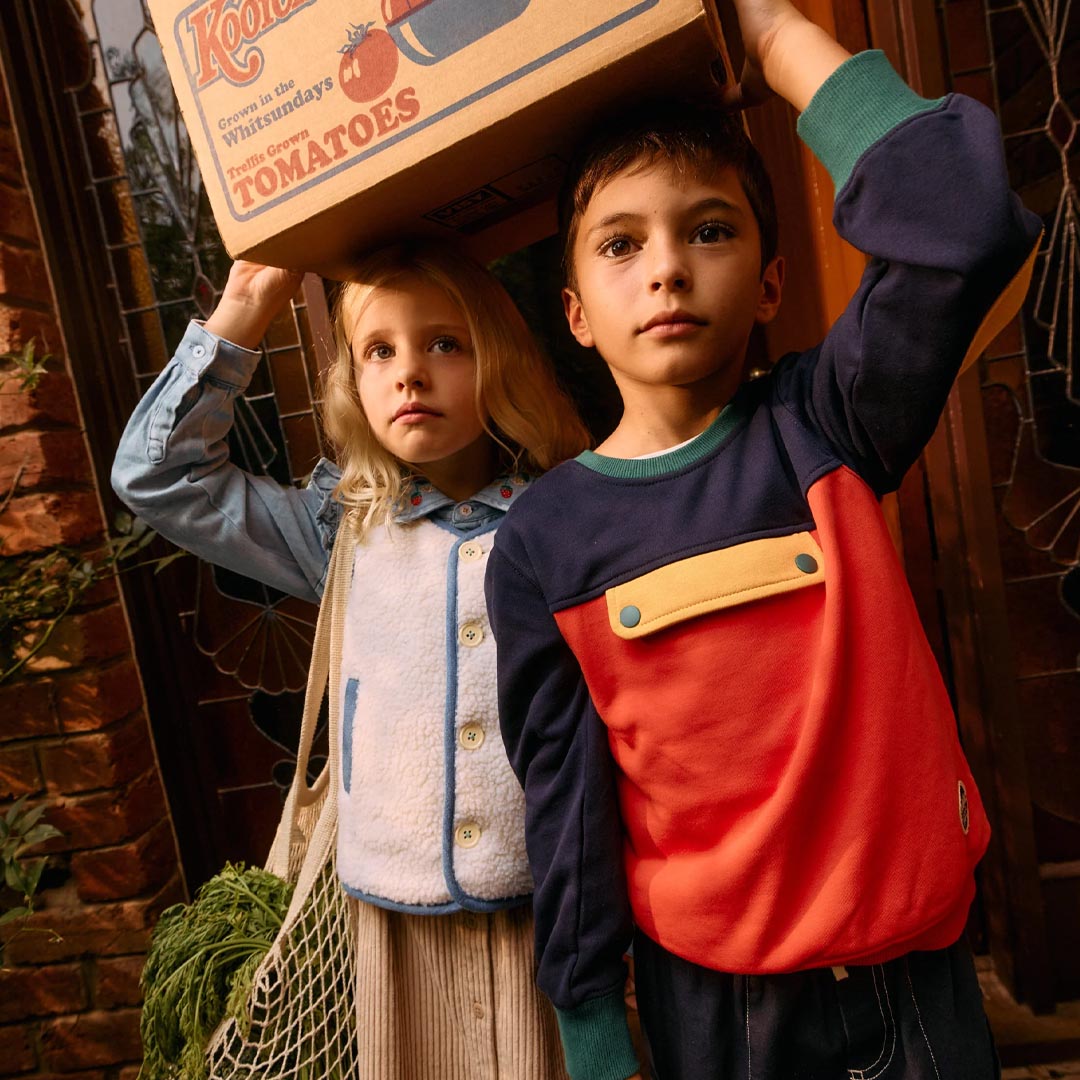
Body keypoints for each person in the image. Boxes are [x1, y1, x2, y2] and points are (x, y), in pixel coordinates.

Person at [483, 0, 1043, 1075]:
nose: (667, 268)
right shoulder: (544, 541)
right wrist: (592, 1030)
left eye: (710, 229)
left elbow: (959, 211)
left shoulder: (828, 423)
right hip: (722, 1016)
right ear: (575, 313)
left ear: (772, 282)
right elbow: (565, 807)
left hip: (917, 986)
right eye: (621, 243)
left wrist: (774, 32)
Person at [111, 243, 590, 1079]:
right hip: (391, 922)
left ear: (501, 359)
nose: (410, 373)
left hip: (546, 912)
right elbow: (158, 477)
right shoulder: (344, 530)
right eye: (380, 350)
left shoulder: (568, 514)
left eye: (446, 343)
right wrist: (249, 304)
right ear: (352, 381)